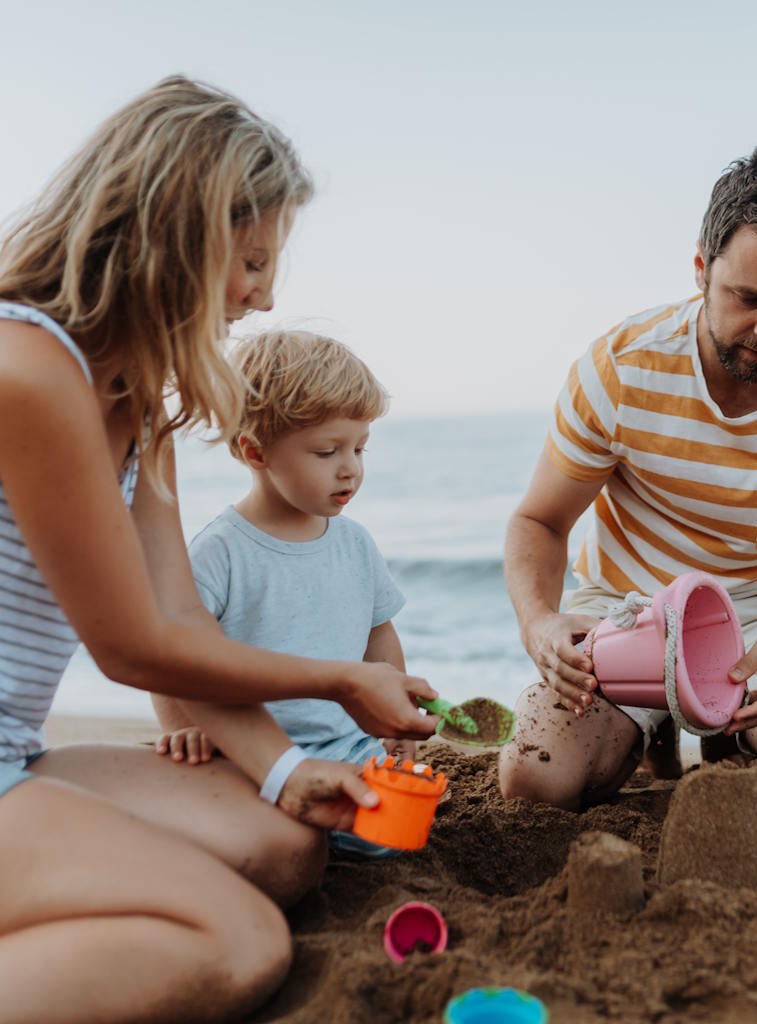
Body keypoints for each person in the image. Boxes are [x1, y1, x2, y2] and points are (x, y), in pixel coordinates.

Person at [0, 77, 439, 1023]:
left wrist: (286, 772)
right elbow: (131, 650)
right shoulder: (29, 375)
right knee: (239, 942)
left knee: (282, 847)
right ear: (174, 239)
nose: (266, 293)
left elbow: (180, 620)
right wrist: (340, 679)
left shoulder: (138, 410)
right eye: (249, 259)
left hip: (14, 750)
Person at [499, 141, 757, 811]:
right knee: (536, 778)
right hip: (627, 612)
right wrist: (540, 622)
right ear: (702, 269)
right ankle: (651, 728)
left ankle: (726, 732)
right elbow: (540, 521)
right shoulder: (620, 368)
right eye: (749, 297)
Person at [152, 328, 416, 857]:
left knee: (394, 831)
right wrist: (185, 727)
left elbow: (377, 635)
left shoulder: (354, 543)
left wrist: (396, 713)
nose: (351, 468)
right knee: (277, 846)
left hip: (347, 740)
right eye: (326, 451)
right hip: (246, 746)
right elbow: (167, 653)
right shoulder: (221, 552)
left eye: (360, 448)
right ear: (256, 452)